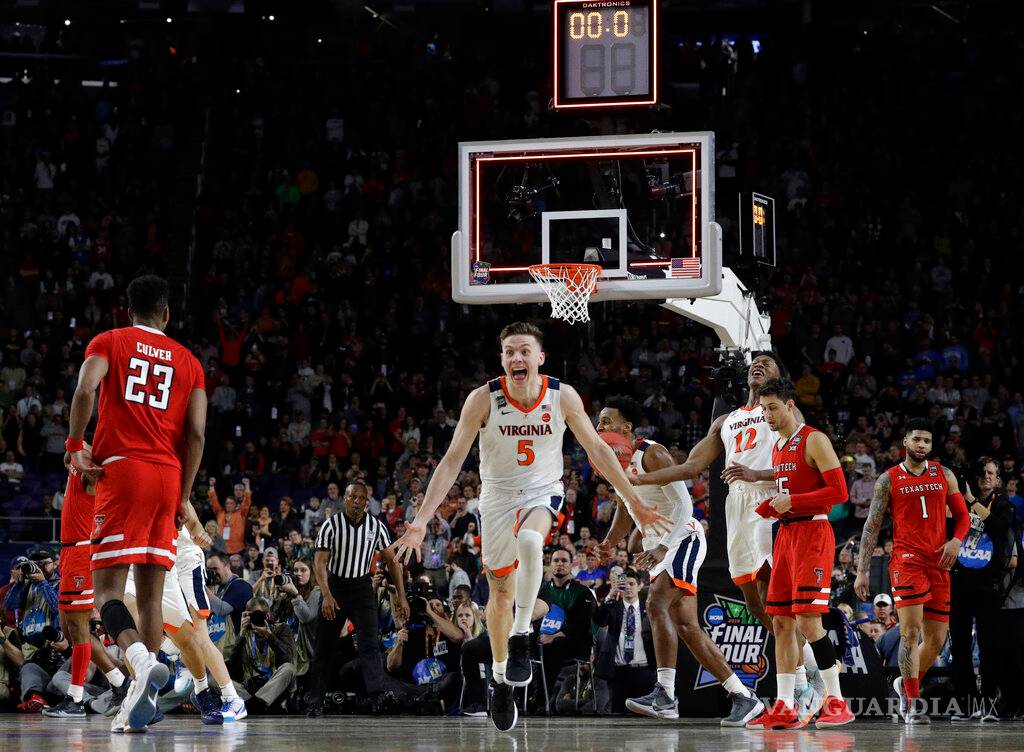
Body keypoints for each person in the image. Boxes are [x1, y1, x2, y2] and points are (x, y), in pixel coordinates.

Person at [390, 321, 669, 732]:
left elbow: (597, 449)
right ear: (502, 359)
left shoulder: (562, 396)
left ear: (540, 358)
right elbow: (451, 461)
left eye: (524, 351)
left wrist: (634, 501)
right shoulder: (483, 399)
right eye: (509, 352)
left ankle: (522, 635)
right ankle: (501, 679)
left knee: (531, 538)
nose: (517, 358)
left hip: (541, 492)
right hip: (497, 499)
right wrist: (419, 522)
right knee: (500, 597)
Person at [66, 274, 207, 732]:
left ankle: (141, 661)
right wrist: (184, 496)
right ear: (166, 314)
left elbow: (86, 387)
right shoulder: (190, 362)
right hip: (168, 477)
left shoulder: (109, 340)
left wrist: (74, 444)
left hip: (123, 469)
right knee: (149, 600)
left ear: (128, 311)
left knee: (106, 590)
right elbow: (197, 433)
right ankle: (137, 704)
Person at [595, 395, 763, 726]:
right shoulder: (612, 461)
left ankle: (666, 695)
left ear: (626, 427)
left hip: (682, 539)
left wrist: (663, 547)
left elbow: (685, 506)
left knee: (655, 606)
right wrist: (609, 541)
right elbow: (626, 506)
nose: (599, 426)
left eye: (605, 420)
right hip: (660, 546)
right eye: (598, 421)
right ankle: (743, 696)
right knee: (687, 626)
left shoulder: (652, 453)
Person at [746, 378, 854, 729]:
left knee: (809, 621)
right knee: (780, 622)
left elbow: (839, 492)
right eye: (764, 409)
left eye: (773, 407)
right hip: (787, 534)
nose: (768, 415)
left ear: (790, 404)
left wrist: (792, 501)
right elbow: (791, 493)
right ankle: (784, 704)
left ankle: (836, 702)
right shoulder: (778, 446)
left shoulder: (815, 439)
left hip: (814, 533)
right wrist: (773, 507)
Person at [854, 418, 970, 724]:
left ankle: (905, 684)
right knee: (909, 631)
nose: (921, 445)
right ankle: (912, 702)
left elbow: (963, 516)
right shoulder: (888, 479)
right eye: (916, 439)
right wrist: (862, 570)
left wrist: (957, 540)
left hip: (939, 561)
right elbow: (872, 526)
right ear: (905, 442)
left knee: (937, 640)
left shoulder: (944, 474)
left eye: (927, 441)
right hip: (906, 561)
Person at [307, 481, 410, 717]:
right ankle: (315, 700)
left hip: (362, 586)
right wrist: (326, 595)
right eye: (353, 497)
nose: (357, 501)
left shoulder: (376, 526)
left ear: (367, 502)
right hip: (335, 585)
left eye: (361, 498)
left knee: (370, 645)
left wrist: (402, 596)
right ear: (345, 498)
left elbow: (392, 561)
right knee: (324, 645)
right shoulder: (331, 525)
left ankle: (377, 697)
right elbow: (319, 563)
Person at [42, 453, 128, 718]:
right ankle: (120, 683)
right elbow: (69, 455)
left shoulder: (91, 475)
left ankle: (75, 699)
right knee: (69, 632)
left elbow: (90, 465)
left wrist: (79, 447)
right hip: (68, 554)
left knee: (80, 631)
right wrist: (74, 449)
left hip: (81, 553)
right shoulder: (75, 467)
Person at [948, 457, 1015, 721]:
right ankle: (966, 705)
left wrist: (972, 501)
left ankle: (988, 704)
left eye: (992, 473)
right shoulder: (959, 500)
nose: (987, 477)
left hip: (989, 585)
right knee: (960, 647)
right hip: (961, 582)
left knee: (989, 647)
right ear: (975, 476)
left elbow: (999, 527)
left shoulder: (1002, 502)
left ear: (998, 479)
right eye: (983, 472)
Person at [594, 569, 656, 714]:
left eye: (631, 583)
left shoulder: (650, 608)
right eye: (624, 584)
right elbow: (599, 620)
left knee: (645, 718)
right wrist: (611, 593)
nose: (628, 587)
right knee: (618, 715)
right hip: (618, 671)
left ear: (640, 585)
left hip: (645, 670)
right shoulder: (612, 607)